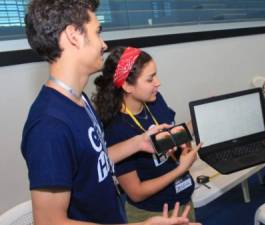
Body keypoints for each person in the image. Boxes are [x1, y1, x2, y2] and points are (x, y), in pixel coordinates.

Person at [21, 0, 200, 225]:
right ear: (73, 35)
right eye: (97, 32)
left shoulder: (79, 100)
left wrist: (138, 143)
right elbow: (49, 222)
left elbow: (92, 161)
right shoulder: (49, 126)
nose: (103, 44)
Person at [92, 46, 200, 222]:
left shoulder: (155, 101)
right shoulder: (116, 129)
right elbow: (136, 192)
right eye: (150, 79)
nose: (158, 82)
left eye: (156, 75)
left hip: (183, 199)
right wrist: (181, 168)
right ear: (127, 85)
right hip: (153, 214)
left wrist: (187, 141)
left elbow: (174, 137)